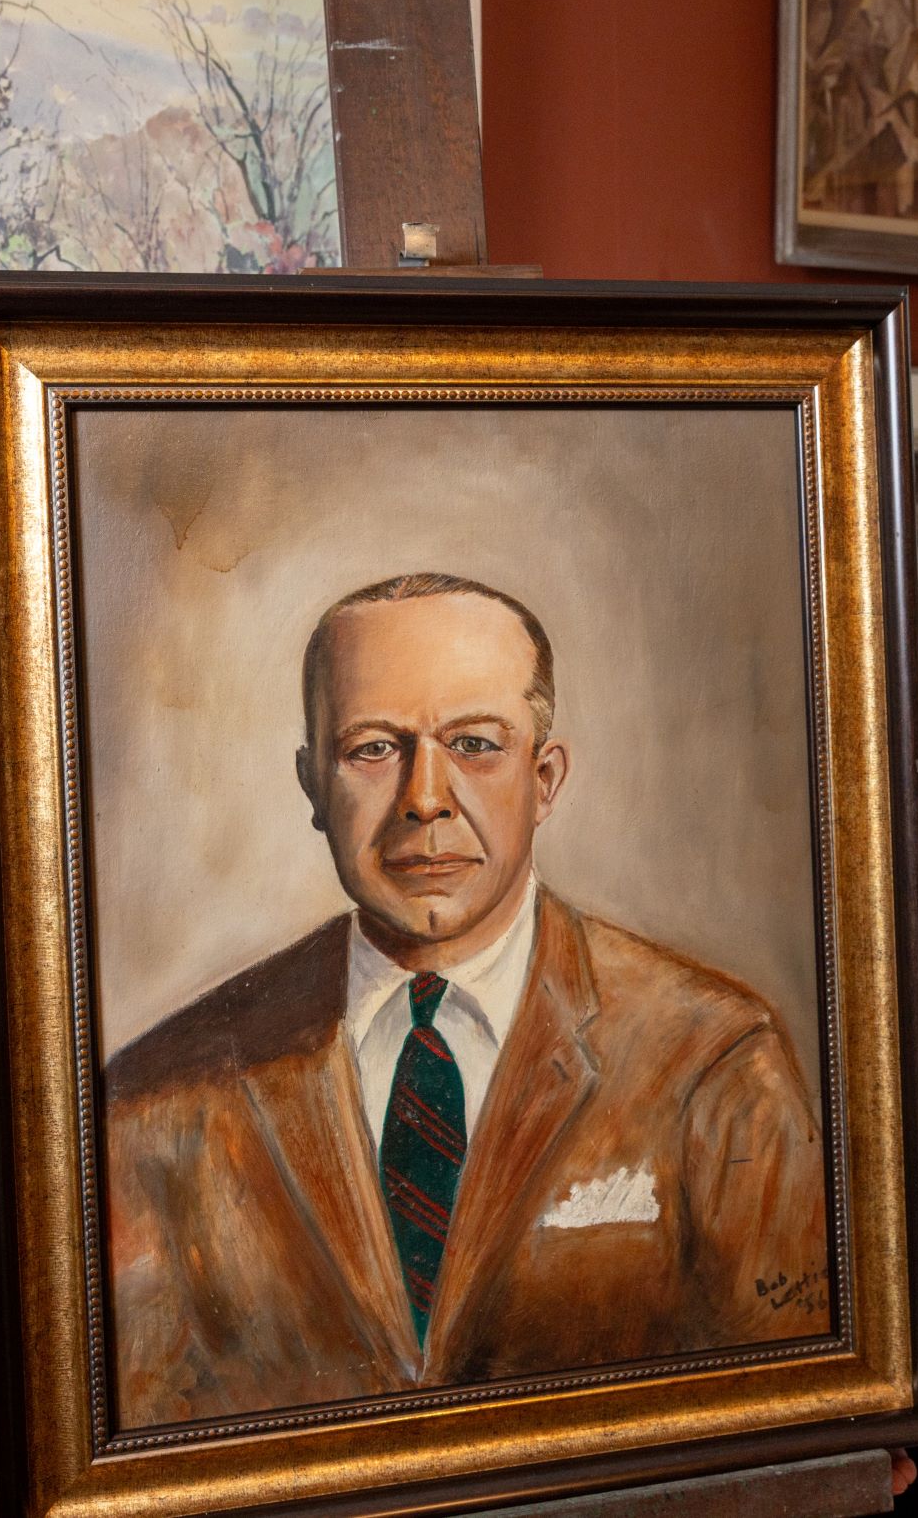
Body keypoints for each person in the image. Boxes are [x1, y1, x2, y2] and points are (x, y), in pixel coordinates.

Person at [106, 572, 829, 1425]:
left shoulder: (713, 1059)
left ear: (546, 777)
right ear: (311, 786)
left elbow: (799, 1417)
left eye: (476, 743)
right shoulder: (159, 1099)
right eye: (373, 748)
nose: (424, 797)